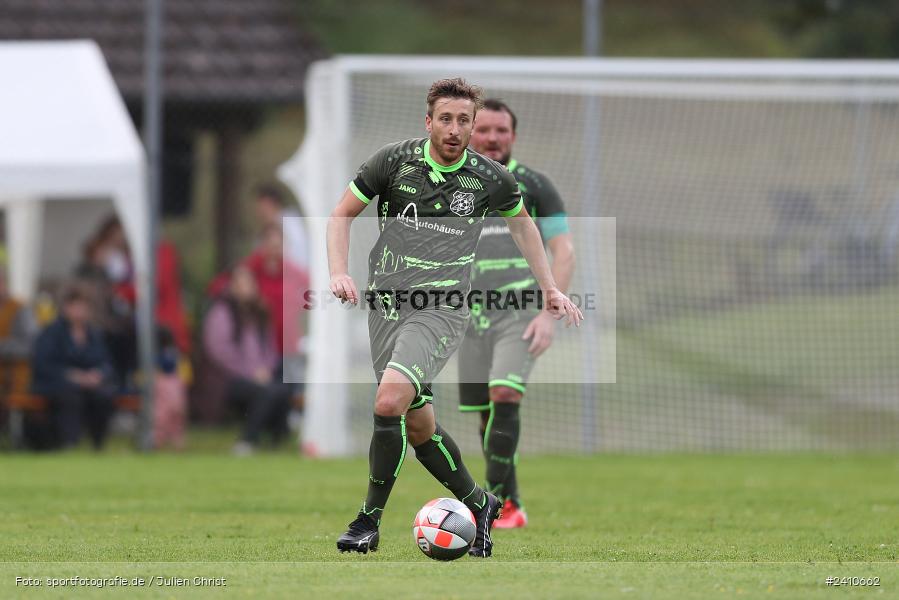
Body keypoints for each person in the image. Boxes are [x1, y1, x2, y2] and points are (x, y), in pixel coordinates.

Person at [327, 78, 582, 557]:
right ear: (429, 121)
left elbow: (525, 227)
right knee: (419, 426)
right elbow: (341, 215)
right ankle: (480, 502)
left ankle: (367, 521)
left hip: (440, 310)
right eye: (446, 118)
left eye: (464, 120)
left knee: (387, 403)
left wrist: (550, 290)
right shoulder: (392, 161)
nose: (455, 128)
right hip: (386, 307)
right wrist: (338, 272)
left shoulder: (490, 179)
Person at [459, 99, 576, 528]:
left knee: (505, 393)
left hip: (520, 312)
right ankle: (511, 504)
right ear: (470, 133)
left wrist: (549, 311)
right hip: (468, 319)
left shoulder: (535, 184)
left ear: (513, 135)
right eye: (484, 129)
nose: (493, 138)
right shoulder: (453, 184)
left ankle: (488, 509)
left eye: (501, 130)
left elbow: (563, 248)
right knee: (488, 414)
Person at [203, 265, 292, 455]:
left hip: (261, 376)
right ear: (233, 286)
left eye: (250, 283)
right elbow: (220, 352)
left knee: (282, 386)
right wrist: (251, 372)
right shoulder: (222, 313)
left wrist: (266, 369)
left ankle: (279, 439)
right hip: (229, 379)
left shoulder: (258, 313)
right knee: (268, 392)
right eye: (242, 283)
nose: (247, 288)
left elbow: (269, 349)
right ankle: (247, 440)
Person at [31, 283, 116, 450]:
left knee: (104, 396)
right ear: (66, 308)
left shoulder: (93, 334)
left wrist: (97, 374)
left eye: (84, 307)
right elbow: (44, 364)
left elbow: (106, 362)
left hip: (89, 385)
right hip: (57, 384)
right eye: (76, 306)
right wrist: (72, 375)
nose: (80, 311)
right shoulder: (52, 333)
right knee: (70, 396)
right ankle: (69, 444)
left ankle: (98, 444)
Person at [254, 183, 309, 272]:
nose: (260, 213)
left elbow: (301, 254)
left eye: (263, 207)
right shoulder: (264, 231)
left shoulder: (291, 222)